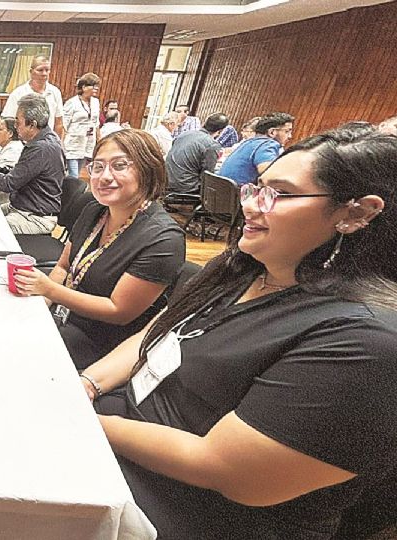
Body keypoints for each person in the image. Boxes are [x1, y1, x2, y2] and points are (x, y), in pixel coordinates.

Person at [82, 126, 397, 538]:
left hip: (191, 507)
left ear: (356, 213)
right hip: (124, 434)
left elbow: (225, 470)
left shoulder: (365, 339)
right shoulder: (242, 268)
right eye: (255, 188)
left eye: (278, 194)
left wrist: (82, 422)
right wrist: (87, 384)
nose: (250, 205)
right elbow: (156, 334)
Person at [13, 129, 185, 368]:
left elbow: (118, 311)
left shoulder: (163, 240)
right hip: (63, 319)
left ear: (147, 170)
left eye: (119, 165)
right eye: (98, 166)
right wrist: (42, 303)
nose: (105, 176)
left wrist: (50, 290)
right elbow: (63, 266)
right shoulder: (95, 210)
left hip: (102, 346)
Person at [0, 93, 64, 235]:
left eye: (18, 122)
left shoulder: (41, 148)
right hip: (23, 208)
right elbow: (18, 172)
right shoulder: (46, 139)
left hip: (34, 217)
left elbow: (8, 184)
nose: (16, 126)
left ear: (32, 125)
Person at [218, 112, 295, 185]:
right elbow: (268, 173)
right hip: (240, 195)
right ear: (272, 132)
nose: (290, 136)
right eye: (287, 131)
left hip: (223, 192)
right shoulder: (267, 144)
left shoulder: (249, 142)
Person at [164, 113, 229, 194]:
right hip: (185, 188)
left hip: (165, 181)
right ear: (221, 131)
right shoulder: (212, 145)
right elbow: (207, 175)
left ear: (204, 123)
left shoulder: (184, 134)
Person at [2, 55, 65, 139]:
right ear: (31, 71)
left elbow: (59, 123)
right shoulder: (18, 93)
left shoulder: (55, 92)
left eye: (47, 70)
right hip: (24, 144)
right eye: (40, 70)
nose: (44, 73)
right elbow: (8, 122)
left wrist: (57, 144)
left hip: (47, 142)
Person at [62, 72, 101, 178]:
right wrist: (60, 144)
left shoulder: (96, 102)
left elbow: (96, 123)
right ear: (84, 87)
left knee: (77, 173)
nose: (96, 89)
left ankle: (69, 191)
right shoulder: (72, 103)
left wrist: (100, 141)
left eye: (97, 86)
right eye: (93, 86)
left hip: (87, 142)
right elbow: (64, 125)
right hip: (73, 142)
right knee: (73, 175)